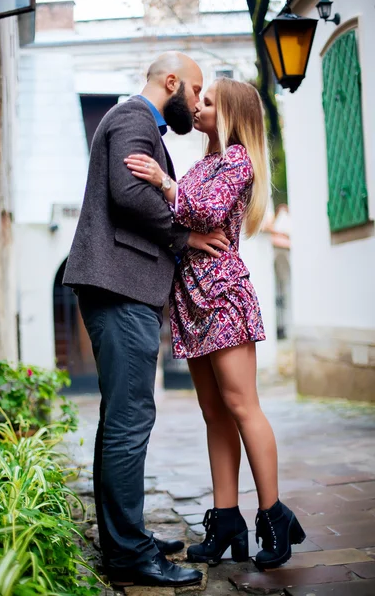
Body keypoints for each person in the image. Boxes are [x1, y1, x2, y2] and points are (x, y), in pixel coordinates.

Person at [124, 77, 306, 571]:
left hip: (222, 295)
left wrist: (163, 183)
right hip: (192, 298)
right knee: (214, 414)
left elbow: (201, 211)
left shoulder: (238, 159)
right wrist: (169, 194)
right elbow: (182, 221)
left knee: (243, 405)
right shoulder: (204, 163)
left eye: (206, 101)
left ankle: (274, 513)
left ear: (228, 114)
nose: (196, 106)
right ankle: (227, 519)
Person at [63, 52, 230, 588]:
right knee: (131, 422)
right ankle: (130, 556)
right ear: (171, 81)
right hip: (119, 287)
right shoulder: (135, 117)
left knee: (120, 421)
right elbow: (129, 192)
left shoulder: (133, 122)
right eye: (197, 89)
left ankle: (123, 539)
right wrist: (186, 237)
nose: (199, 102)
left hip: (117, 285)